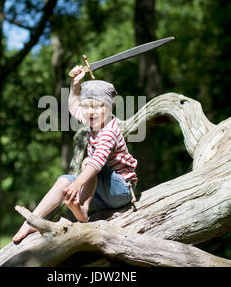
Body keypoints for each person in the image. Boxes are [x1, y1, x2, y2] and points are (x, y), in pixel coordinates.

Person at [12, 65, 138, 244]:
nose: (90, 112)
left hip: (122, 190)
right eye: (86, 107)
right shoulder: (91, 119)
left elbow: (97, 162)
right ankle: (31, 221)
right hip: (102, 194)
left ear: (109, 107)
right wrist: (75, 83)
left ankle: (82, 209)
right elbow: (72, 106)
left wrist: (77, 184)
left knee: (90, 162)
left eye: (97, 106)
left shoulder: (109, 131)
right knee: (63, 180)